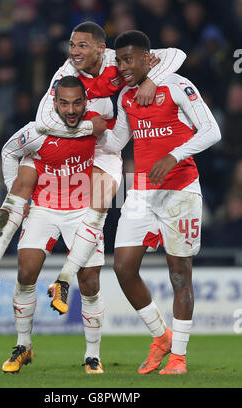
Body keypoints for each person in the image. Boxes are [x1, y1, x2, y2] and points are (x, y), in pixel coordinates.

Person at [0, 22, 187, 312]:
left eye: (82, 45)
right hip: (69, 142)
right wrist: (86, 126)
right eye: (71, 45)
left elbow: (176, 55)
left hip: (102, 149)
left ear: (100, 48)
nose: (74, 51)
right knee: (22, 182)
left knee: (98, 203)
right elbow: (44, 119)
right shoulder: (66, 74)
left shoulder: (118, 61)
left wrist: (151, 80)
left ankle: (64, 280)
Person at [97, 30, 221, 375]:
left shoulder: (178, 85)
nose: (123, 66)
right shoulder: (126, 97)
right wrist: (93, 129)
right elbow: (118, 140)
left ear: (149, 58)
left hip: (180, 190)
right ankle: (160, 336)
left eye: (129, 59)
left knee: (179, 276)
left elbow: (212, 131)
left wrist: (174, 155)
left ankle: (179, 358)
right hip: (141, 192)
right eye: (119, 60)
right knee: (122, 267)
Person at [0, 76, 107, 374]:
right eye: (64, 103)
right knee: (25, 271)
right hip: (44, 207)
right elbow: (8, 151)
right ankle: (23, 346)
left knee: (89, 280)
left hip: (83, 209)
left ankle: (92, 355)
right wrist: (15, 190)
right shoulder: (37, 130)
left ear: (85, 102)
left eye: (76, 103)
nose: (71, 110)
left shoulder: (99, 126)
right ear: (54, 102)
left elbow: (115, 147)